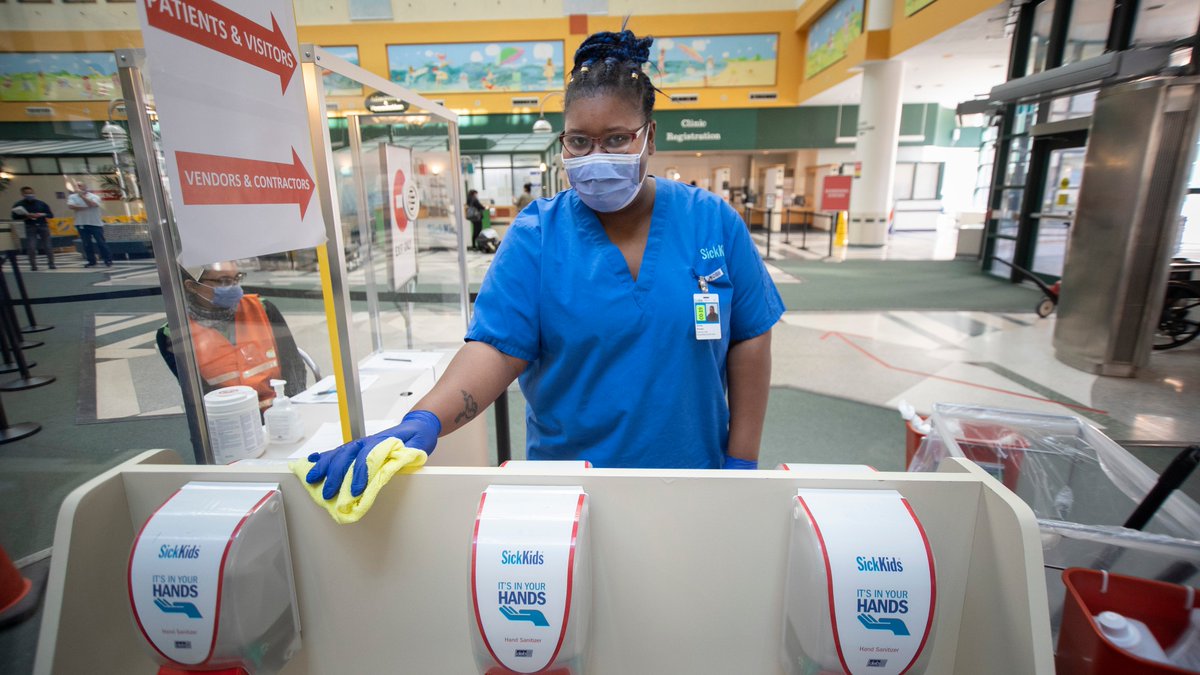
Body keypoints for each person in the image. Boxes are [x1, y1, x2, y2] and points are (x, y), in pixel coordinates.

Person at [304, 28, 784, 499]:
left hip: (693, 479)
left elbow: (749, 334)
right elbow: (495, 349)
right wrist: (426, 418)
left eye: (617, 139)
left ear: (650, 137)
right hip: (569, 487)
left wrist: (741, 460)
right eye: (579, 141)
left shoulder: (711, 221)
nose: (596, 157)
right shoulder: (538, 234)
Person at [156, 261, 306, 411]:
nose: (235, 287)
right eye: (224, 281)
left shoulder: (263, 308)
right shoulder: (174, 333)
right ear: (192, 286)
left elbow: (293, 367)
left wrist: (293, 410)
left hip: (280, 413)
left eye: (237, 278)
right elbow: (198, 394)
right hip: (227, 417)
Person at [67, 180, 111, 268]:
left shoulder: (94, 196)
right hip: (81, 223)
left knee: (101, 242)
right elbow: (71, 206)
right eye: (77, 186)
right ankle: (91, 261)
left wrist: (82, 197)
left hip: (95, 224)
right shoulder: (72, 197)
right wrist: (85, 207)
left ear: (85, 187)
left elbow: (93, 204)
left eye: (80, 186)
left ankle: (107, 259)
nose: (78, 188)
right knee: (86, 244)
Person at [10, 186, 55, 270]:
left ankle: (51, 263)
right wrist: (26, 216)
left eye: (31, 193)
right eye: (27, 193)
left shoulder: (41, 203)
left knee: (47, 245)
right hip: (30, 226)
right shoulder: (19, 204)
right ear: (23, 194)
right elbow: (14, 217)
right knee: (31, 246)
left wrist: (41, 214)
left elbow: (50, 215)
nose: (29, 195)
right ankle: (33, 265)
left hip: (42, 224)